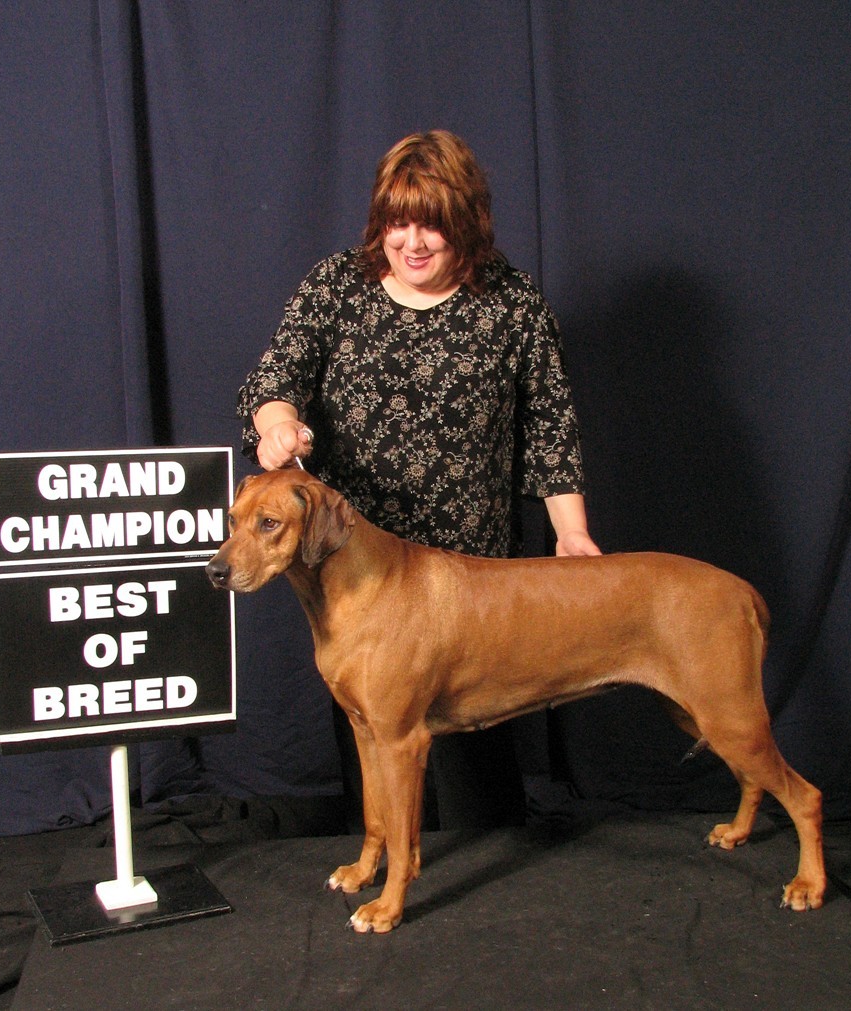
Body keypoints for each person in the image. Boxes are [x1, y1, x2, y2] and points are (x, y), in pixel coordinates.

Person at [238, 129, 600, 830]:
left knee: (479, 804)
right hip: (361, 580)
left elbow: (551, 426)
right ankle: (383, 858)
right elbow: (275, 377)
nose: (412, 242)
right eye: (397, 223)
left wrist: (571, 533)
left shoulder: (513, 302)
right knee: (378, 764)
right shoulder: (335, 285)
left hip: (472, 585)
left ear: (468, 223)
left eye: (432, 225)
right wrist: (277, 423)